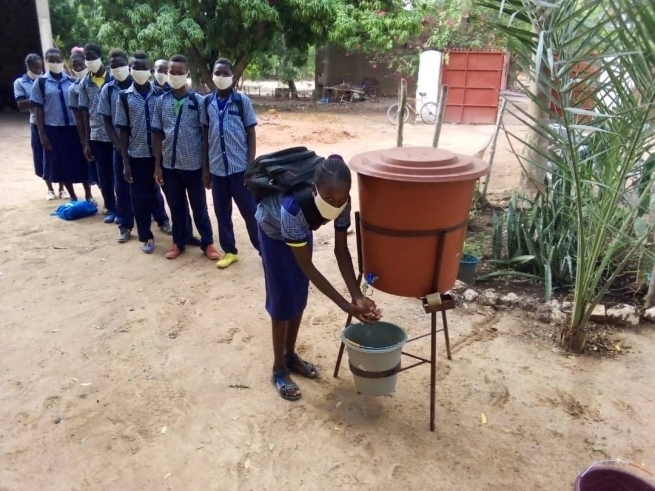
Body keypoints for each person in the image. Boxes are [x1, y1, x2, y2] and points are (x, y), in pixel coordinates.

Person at [255, 155, 381, 400]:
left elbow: (341, 251)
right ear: (314, 190)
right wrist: (346, 306)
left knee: (299, 295)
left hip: (300, 231)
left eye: (341, 199)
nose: (336, 204)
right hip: (274, 232)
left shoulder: (343, 203)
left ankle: (290, 356)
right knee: (283, 302)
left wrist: (357, 296)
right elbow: (308, 268)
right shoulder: (292, 209)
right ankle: (278, 369)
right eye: (329, 199)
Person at [152, 54, 220, 261]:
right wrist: (157, 166)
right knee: (176, 206)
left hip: (194, 166)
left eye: (180, 73)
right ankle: (178, 242)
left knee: (199, 207)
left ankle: (207, 243)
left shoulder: (198, 102)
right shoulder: (161, 101)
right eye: (172, 72)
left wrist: (206, 168)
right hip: (170, 165)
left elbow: (206, 136)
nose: (175, 76)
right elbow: (157, 134)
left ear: (187, 74)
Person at [201, 58, 260, 269]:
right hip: (217, 169)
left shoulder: (241, 101)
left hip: (240, 169)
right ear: (213, 76)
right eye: (218, 73)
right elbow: (205, 134)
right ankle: (230, 251)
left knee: (250, 212)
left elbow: (251, 133)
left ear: (232, 78)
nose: (221, 77)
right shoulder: (207, 102)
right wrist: (205, 169)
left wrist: (251, 167)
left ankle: (264, 250)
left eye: (226, 74)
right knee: (221, 212)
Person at [115, 51, 175, 253]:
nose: (139, 71)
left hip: (162, 155)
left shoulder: (160, 94)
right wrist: (125, 162)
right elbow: (123, 131)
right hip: (137, 155)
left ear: (149, 71)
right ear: (130, 70)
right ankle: (146, 236)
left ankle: (176, 230)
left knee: (172, 194)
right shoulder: (123, 98)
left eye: (143, 68)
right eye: (135, 67)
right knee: (139, 198)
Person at [31, 47, 93, 202]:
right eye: (52, 61)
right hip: (54, 129)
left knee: (81, 161)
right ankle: (72, 195)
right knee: (61, 164)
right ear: (47, 62)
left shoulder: (72, 81)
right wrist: (42, 134)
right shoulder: (41, 83)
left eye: (58, 60)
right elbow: (38, 110)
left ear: (63, 61)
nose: (56, 63)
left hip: (74, 128)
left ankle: (88, 194)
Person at [13, 53, 67, 200]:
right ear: (28, 67)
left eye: (39, 68)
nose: (38, 71)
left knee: (59, 155)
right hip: (36, 123)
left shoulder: (48, 80)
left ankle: (63, 188)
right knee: (42, 156)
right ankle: (49, 188)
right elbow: (21, 104)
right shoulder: (20, 83)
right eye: (34, 68)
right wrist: (38, 99)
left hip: (53, 122)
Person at [79, 43, 116, 223]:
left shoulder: (114, 78)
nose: (89, 61)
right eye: (86, 57)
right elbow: (84, 113)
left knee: (121, 173)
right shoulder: (84, 84)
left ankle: (127, 206)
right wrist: (86, 142)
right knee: (104, 175)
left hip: (117, 136)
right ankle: (110, 207)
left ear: (100, 57)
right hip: (97, 136)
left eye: (92, 57)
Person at [68, 47, 98, 198]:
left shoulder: (102, 81)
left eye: (81, 64)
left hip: (106, 133)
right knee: (98, 170)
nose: (78, 68)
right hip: (90, 134)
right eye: (75, 66)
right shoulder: (73, 89)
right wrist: (84, 142)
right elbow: (79, 118)